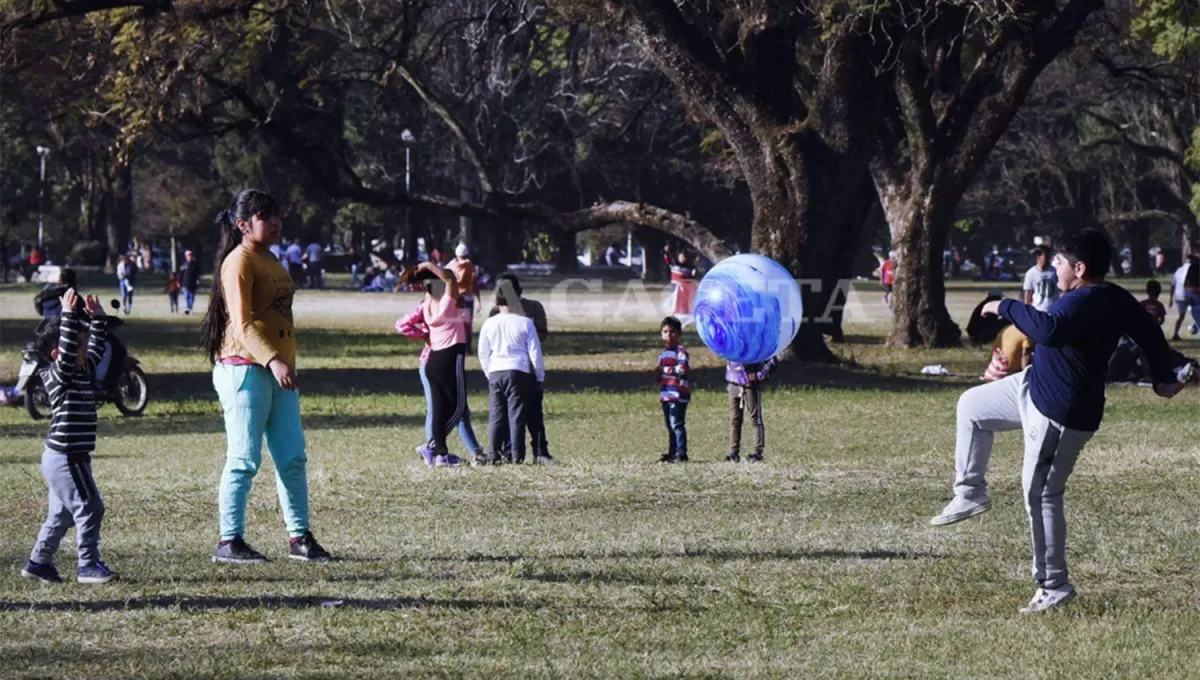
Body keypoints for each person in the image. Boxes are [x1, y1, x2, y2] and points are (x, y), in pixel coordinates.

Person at [930, 230, 1196, 614]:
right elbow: (1149, 333)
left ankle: (1053, 585)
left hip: (1060, 411)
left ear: (1080, 268)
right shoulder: (1111, 296)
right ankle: (970, 491)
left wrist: (1002, 305)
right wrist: (1160, 378)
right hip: (1032, 385)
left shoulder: (1086, 299)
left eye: (1059, 261)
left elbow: (1047, 331)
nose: (1053, 266)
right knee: (971, 406)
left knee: (1040, 494)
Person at [199, 189, 332, 564]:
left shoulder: (271, 258)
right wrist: (273, 359)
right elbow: (241, 326)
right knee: (244, 459)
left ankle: (299, 537)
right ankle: (229, 541)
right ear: (243, 225)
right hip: (245, 370)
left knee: (292, 457)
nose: (275, 222)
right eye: (265, 216)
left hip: (279, 373)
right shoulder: (238, 262)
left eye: (276, 215)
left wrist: (283, 362)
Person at [21, 289, 117, 584]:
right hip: (66, 458)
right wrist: (67, 316)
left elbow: (98, 349)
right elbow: (66, 350)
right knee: (90, 507)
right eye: (79, 345)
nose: (85, 349)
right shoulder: (57, 374)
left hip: (69, 458)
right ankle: (88, 564)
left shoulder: (80, 370)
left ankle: (39, 562)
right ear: (58, 352)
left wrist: (98, 318)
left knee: (61, 516)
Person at [395, 289, 483, 466]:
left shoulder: (452, 307)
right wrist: (424, 335)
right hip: (433, 361)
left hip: (448, 361)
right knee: (439, 409)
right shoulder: (427, 306)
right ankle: (435, 450)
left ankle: (470, 451)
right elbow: (402, 324)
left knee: (457, 409)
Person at [487, 272, 553, 464]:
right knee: (505, 414)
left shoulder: (533, 307)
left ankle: (540, 451)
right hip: (507, 369)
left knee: (534, 414)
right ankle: (509, 451)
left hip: (529, 368)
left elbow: (542, 335)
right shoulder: (495, 312)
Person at [413, 260, 471, 467]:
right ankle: (433, 447)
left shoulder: (427, 304)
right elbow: (449, 278)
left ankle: (440, 455)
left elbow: (442, 280)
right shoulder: (447, 302)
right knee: (458, 407)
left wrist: (424, 273)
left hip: (433, 361)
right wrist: (429, 265)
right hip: (450, 357)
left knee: (439, 409)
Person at [724, 356, 780, 463]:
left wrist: (760, 374)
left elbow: (772, 360)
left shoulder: (757, 340)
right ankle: (734, 452)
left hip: (750, 385)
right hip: (733, 382)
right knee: (734, 420)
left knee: (755, 419)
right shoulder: (732, 340)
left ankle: (757, 452)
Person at [657, 316, 690, 463]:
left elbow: (682, 369)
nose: (668, 335)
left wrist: (665, 370)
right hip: (666, 394)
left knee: (677, 424)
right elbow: (661, 374)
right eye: (665, 332)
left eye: (672, 332)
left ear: (679, 334)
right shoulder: (662, 354)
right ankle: (672, 452)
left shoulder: (680, 351)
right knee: (669, 425)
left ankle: (681, 453)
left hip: (678, 394)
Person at [447, 243, 482, 352]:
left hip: (463, 299)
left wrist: (478, 300)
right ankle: (461, 348)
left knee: (464, 325)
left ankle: (465, 349)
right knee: (460, 324)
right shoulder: (465, 266)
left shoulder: (451, 266)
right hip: (460, 300)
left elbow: (474, 284)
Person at [1171, 252, 1200, 340]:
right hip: (1192, 292)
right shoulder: (1195, 268)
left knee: (1181, 316)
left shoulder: (1179, 269)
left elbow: (1173, 284)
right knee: (1197, 311)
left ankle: (1175, 334)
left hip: (1180, 294)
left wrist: (1170, 298)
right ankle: (1196, 327)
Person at [665, 252, 699, 324]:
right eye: (681, 257)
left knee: (683, 303)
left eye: (684, 257)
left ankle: (685, 316)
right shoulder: (674, 265)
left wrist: (694, 274)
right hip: (675, 287)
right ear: (678, 257)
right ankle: (672, 315)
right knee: (673, 302)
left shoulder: (689, 267)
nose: (683, 259)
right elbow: (668, 260)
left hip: (684, 289)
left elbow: (691, 279)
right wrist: (666, 252)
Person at [1022, 247, 1059, 313]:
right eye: (1046, 256)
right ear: (1038, 257)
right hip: (1038, 311)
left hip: (1053, 310)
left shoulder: (1054, 271)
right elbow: (1027, 296)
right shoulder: (1030, 273)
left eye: (1049, 256)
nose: (1048, 259)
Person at [179, 249, 202, 315]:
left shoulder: (195, 265)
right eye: (188, 255)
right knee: (186, 296)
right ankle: (187, 308)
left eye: (190, 255)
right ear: (186, 256)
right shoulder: (184, 265)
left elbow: (198, 274)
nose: (189, 256)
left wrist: (198, 281)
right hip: (185, 284)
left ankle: (190, 308)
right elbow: (181, 274)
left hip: (193, 284)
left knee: (192, 297)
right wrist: (179, 282)